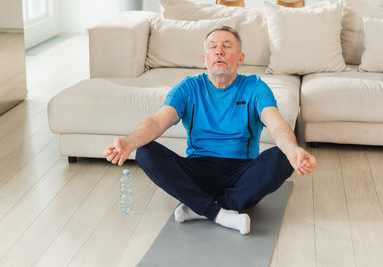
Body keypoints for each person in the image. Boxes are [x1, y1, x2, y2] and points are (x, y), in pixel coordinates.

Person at [103, 26, 317, 235]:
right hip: (197, 171)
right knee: (145, 151)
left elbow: (278, 125)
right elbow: (157, 122)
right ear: (204, 59)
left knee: (282, 156)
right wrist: (129, 142)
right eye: (212, 47)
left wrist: (293, 150)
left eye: (227, 46)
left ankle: (200, 208)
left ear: (240, 58)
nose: (219, 51)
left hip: (241, 175)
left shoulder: (255, 87)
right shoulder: (189, 88)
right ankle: (223, 214)